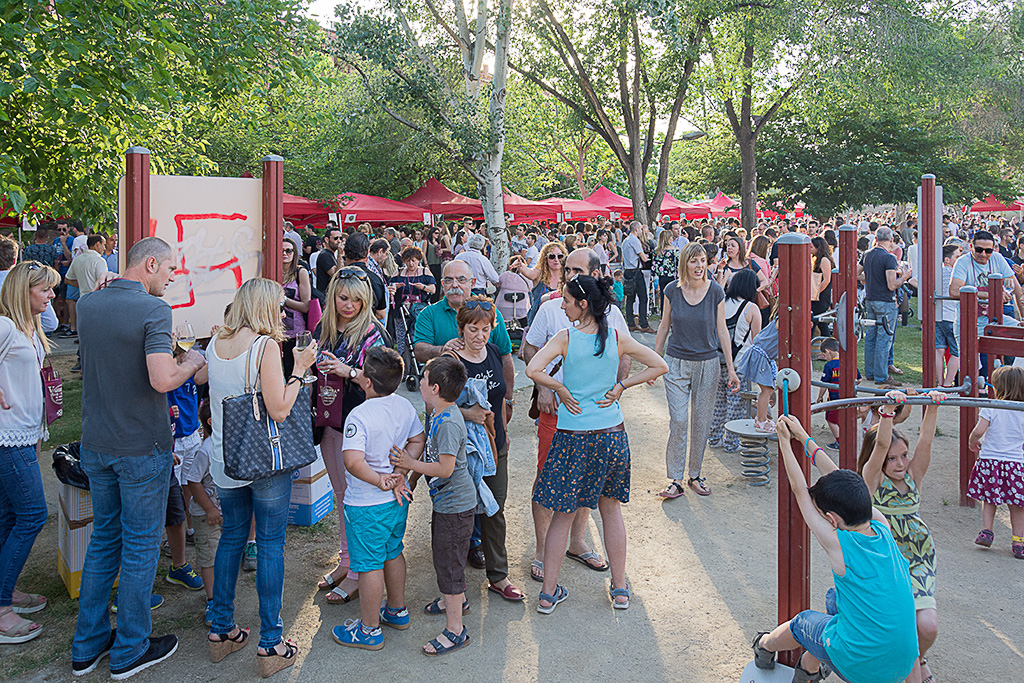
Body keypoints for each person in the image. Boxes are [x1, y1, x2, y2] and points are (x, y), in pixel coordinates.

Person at [72, 237, 206, 679]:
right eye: (170, 269)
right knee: (141, 545)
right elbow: (162, 378)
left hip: (97, 443)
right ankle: (130, 648)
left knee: (104, 540)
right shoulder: (154, 311)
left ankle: (87, 645)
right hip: (140, 448)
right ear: (150, 263)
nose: (173, 276)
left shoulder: (89, 304)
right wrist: (193, 361)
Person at [527, 274, 668, 613]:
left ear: (583, 305)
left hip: (572, 437)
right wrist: (622, 386)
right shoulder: (616, 338)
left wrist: (560, 388)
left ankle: (548, 594)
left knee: (563, 515)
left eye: (566, 301)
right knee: (611, 511)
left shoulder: (565, 338)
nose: (561, 305)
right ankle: (620, 589)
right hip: (611, 435)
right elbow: (659, 365)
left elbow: (533, 368)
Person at [752, 415, 919, 683]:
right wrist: (803, 437)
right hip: (903, 663)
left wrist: (784, 442)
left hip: (862, 667)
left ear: (832, 519)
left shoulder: (840, 545)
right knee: (833, 599)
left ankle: (763, 646)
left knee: (802, 623)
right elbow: (838, 479)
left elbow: (799, 490)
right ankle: (809, 667)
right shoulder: (881, 525)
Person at [205, 278, 316, 678]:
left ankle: (221, 630)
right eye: (280, 306)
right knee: (270, 545)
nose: (285, 313)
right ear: (265, 307)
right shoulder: (265, 346)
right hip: (264, 460)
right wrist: (300, 370)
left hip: (225, 458)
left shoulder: (215, 342)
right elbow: (280, 408)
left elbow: (210, 386)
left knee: (232, 537)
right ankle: (271, 643)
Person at [522, 249, 629, 582]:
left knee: (589, 483)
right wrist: (546, 389)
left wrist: (618, 388)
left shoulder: (611, 314)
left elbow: (626, 354)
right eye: (565, 268)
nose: (567, 274)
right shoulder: (552, 306)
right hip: (557, 412)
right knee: (546, 480)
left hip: (597, 416)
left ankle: (578, 543)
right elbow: (530, 350)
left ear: (595, 274)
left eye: (576, 269)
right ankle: (542, 550)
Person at [332, 347, 422, 650]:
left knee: (369, 565)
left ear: (367, 381)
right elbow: (418, 439)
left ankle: (368, 630)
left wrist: (381, 480)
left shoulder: (359, 415)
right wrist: (401, 470)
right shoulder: (405, 406)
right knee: (393, 552)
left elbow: (353, 461)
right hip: (398, 501)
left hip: (367, 504)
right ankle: (396, 610)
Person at [857, 390, 946, 683]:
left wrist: (932, 405)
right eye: (893, 459)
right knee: (903, 625)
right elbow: (882, 444)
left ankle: (918, 658)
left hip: (919, 559)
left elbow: (925, 441)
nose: (900, 463)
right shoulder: (873, 481)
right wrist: (887, 411)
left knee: (928, 627)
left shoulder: (913, 477)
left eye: (903, 456)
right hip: (888, 563)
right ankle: (911, 667)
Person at [389, 355, 474, 655]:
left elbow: (446, 468)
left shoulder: (449, 421)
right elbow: (428, 451)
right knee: (445, 558)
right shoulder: (438, 412)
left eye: (423, 379)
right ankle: (457, 600)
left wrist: (411, 463)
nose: (419, 382)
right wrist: (411, 478)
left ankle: (455, 629)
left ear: (434, 388)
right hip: (447, 504)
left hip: (456, 506)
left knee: (449, 564)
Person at [315, 270, 386, 604]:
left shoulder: (373, 333)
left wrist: (349, 372)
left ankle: (359, 572)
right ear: (333, 297)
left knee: (358, 499)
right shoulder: (324, 329)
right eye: (344, 297)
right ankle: (346, 561)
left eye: (357, 299)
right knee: (341, 496)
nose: (350, 305)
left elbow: (384, 382)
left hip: (361, 427)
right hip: (330, 422)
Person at [446, 296, 523, 601]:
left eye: (485, 328)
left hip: (495, 445)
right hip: (462, 451)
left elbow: (500, 395)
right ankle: (454, 586)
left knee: (495, 510)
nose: (480, 336)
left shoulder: (493, 352)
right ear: (461, 328)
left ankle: (498, 577)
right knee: (459, 514)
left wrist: (502, 427)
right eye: (473, 329)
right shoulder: (452, 361)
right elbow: (437, 406)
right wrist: (469, 415)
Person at [0, 261, 59, 644]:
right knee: (33, 513)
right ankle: (2, 606)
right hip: (7, 435)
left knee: (8, 515)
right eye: (45, 291)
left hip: (24, 433)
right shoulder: (5, 326)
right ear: (24, 292)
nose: (53, 296)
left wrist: (39, 430)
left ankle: (6, 589)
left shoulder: (31, 327)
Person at [655, 242, 739, 498]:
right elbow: (663, 326)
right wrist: (655, 362)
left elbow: (722, 330)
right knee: (679, 421)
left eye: (702, 260)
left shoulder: (715, 292)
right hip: (676, 363)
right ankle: (675, 479)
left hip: (707, 364)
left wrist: (732, 369)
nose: (699, 265)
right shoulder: (671, 290)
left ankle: (695, 474)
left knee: (701, 421)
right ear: (684, 264)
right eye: (693, 261)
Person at [950, 229, 1024, 378]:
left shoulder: (997, 259)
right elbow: (954, 291)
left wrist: (1023, 318)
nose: (983, 254)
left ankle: (1015, 381)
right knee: (970, 366)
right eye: (979, 250)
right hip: (968, 322)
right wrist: (990, 294)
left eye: (988, 250)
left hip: (994, 319)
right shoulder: (963, 262)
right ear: (971, 247)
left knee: (1021, 334)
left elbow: (1016, 289)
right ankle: (969, 394)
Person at [967, 365, 1024, 560]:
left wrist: (972, 440)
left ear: (998, 387)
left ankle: (987, 531)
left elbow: (979, 430)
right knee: (1017, 505)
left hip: (991, 461)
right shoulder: (1022, 410)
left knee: (989, 498)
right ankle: (1018, 541)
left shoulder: (992, 406)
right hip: (1015, 464)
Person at [707, 269, 762, 453]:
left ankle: (714, 438)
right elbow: (757, 341)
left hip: (717, 360)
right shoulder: (751, 309)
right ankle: (731, 442)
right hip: (739, 365)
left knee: (718, 403)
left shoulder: (721, 303)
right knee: (736, 405)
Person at [860, 227, 912, 387]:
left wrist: (870, 278)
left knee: (871, 337)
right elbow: (891, 285)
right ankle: (881, 375)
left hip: (870, 299)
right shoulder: (888, 258)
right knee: (884, 338)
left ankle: (870, 372)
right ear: (891, 240)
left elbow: (855, 273)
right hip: (885, 301)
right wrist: (904, 277)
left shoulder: (867, 255)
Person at [185, 400, 220, 626]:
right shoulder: (206, 450)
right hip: (206, 516)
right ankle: (212, 600)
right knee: (209, 559)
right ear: (211, 422)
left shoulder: (223, 443)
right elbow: (193, 481)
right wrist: (209, 509)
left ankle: (221, 595)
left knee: (221, 556)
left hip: (221, 513)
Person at [389, 245, 435, 357]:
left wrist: (423, 287)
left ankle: (418, 358)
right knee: (401, 337)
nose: (411, 264)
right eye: (408, 261)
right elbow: (390, 286)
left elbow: (433, 289)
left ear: (419, 260)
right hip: (401, 311)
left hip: (419, 311)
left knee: (417, 335)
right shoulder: (399, 272)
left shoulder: (424, 271)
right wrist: (395, 286)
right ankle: (403, 360)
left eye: (413, 261)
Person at [815, 338, 860, 450]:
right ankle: (847, 436)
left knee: (831, 420)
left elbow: (825, 384)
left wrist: (820, 397)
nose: (825, 358)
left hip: (834, 399)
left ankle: (840, 442)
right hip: (849, 397)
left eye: (824, 355)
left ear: (828, 351)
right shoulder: (849, 362)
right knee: (845, 417)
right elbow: (858, 379)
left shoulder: (829, 366)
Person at [516, 240, 568, 325]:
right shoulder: (539, 274)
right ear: (545, 258)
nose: (556, 260)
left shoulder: (567, 275)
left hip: (562, 322)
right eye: (551, 256)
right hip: (541, 322)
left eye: (560, 256)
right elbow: (529, 273)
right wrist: (520, 265)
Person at [281, 239, 311, 377]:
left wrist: (284, 300)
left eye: (289, 250)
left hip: (296, 333)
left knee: (298, 372)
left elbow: (306, 306)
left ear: (294, 253)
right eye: (281, 250)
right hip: (277, 332)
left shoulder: (301, 272)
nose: (285, 253)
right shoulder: (273, 271)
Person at [621, 221, 654, 333]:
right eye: (640, 229)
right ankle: (644, 324)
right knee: (643, 297)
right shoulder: (635, 240)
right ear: (636, 229)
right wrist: (649, 256)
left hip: (628, 270)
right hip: (636, 271)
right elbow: (643, 258)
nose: (641, 231)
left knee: (630, 298)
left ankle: (630, 323)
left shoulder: (625, 240)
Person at [936, 244, 961, 387]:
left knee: (939, 349)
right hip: (952, 316)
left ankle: (940, 383)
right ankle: (948, 383)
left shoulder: (936, 272)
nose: (959, 259)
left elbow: (915, 281)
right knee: (956, 351)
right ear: (947, 259)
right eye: (957, 257)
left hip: (939, 314)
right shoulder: (955, 274)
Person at [810, 237, 834, 337]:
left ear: (818, 248)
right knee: (821, 323)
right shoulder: (817, 259)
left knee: (815, 321)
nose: (809, 249)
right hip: (819, 295)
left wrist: (817, 292)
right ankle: (827, 344)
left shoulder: (824, 260)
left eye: (811, 247)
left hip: (821, 297)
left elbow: (827, 280)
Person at [315, 226, 344, 293]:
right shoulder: (325, 255)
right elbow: (337, 275)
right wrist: (340, 255)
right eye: (336, 238)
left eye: (340, 238)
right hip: (326, 296)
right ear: (327, 240)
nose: (339, 241)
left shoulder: (330, 254)